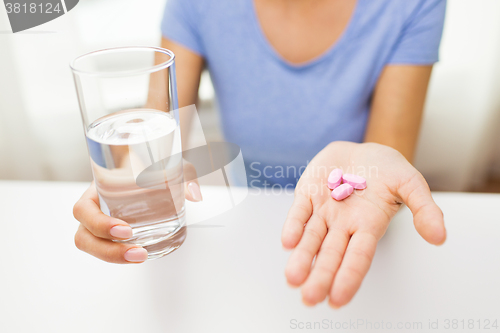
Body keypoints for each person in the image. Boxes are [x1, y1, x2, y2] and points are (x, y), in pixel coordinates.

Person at [72, 0, 447, 309]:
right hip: (243, 236)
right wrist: (126, 181)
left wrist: (369, 167)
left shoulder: (412, 5)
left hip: (353, 237)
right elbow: (157, 128)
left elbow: (387, 154)